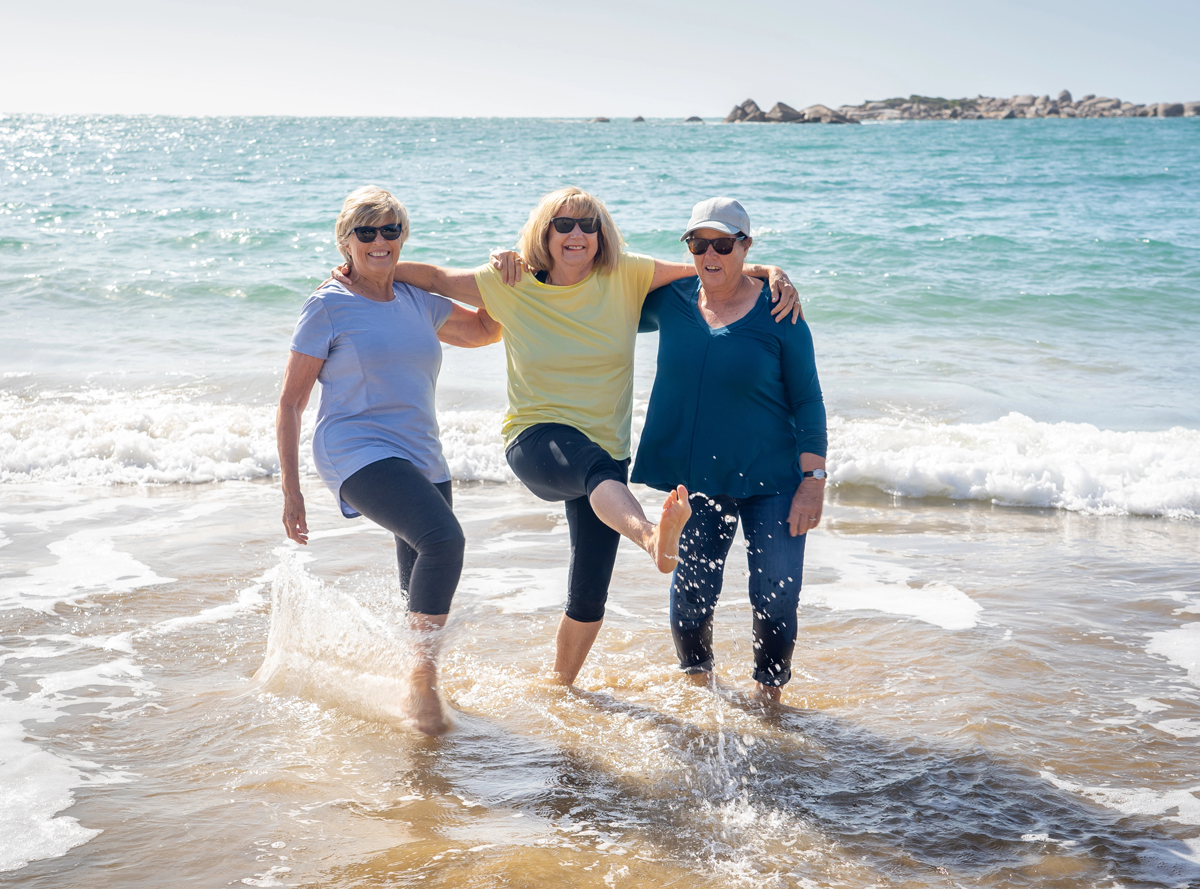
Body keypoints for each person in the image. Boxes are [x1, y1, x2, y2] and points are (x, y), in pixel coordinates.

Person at [358, 186, 800, 687]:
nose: (576, 234)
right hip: (535, 437)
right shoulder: (512, 282)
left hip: (607, 458)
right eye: (563, 224)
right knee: (592, 470)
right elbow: (436, 278)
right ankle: (654, 539)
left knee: (590, 593)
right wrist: (370, 269)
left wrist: (770, 272)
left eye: (588, 225)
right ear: (544, 232)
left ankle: (560, 687)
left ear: (601, 235)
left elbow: (707, 268)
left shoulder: (627, 274)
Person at [277, 185, 500, 735]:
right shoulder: (327, 305)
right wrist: (292, 490)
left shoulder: (415, 300)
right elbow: (290, 401)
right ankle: (421, 685)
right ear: (346, 242)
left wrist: (500, 280)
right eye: (366, 232)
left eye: (390, 230)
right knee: (445, 540)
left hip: (422, 452)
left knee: (420, 582)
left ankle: (416, 682)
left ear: (403, 238)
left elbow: (484, 329)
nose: (380, 242)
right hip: (354, 450)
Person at [632, 197, 827, 702]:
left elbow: (807, 400)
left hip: (775, 480)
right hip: (699, 478)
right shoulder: (670, 300)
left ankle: (769, 698)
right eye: (700, 244)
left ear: (745, 246)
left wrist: (814, 481)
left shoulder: (780, 311)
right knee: (693, 592)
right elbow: (598, 290)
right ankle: (700, 689)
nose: (710, 255)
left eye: (723, 244)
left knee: (777, 595)